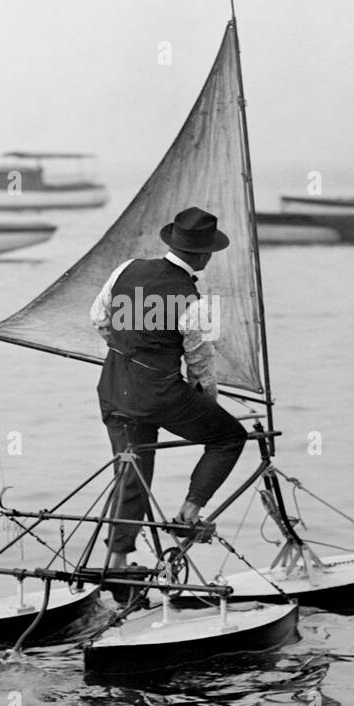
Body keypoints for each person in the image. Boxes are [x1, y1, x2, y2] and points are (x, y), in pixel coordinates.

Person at [89, 206, 248, 570]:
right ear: (205, 255)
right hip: (159, 394)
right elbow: (200, 366)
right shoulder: (192, 299)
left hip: (113, 387)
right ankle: (188, 515)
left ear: (173, 243)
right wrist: (206, 400)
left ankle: (117, 563)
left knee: (131, 468)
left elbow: (98, 318)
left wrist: (130, 349)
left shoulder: (126, 269)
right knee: (228, 438)